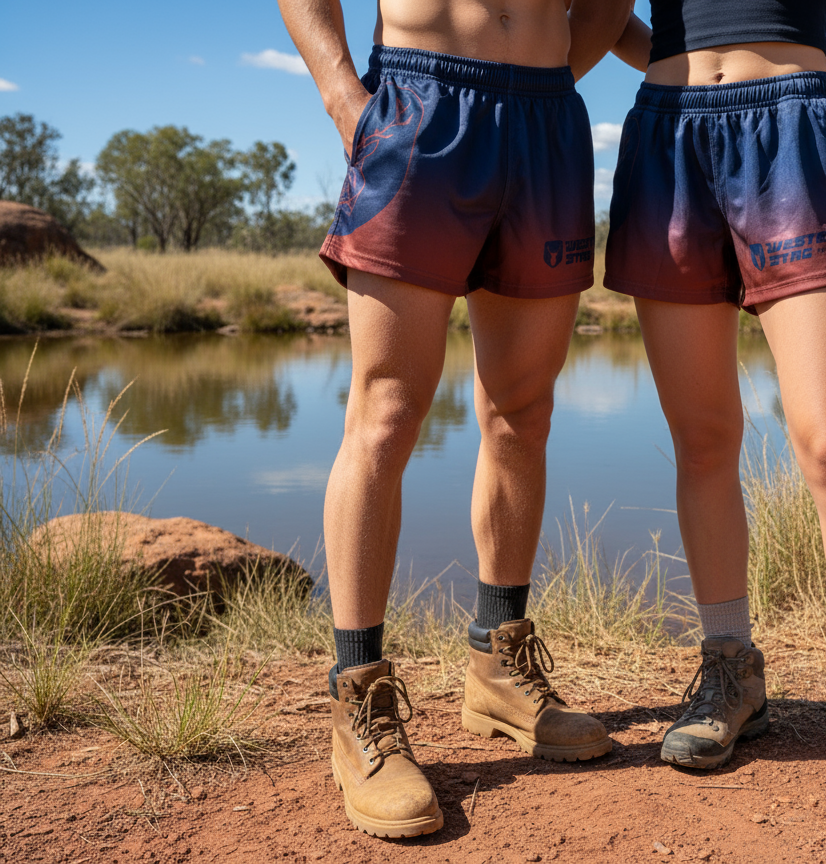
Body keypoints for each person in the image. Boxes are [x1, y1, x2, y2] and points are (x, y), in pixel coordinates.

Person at [278, 0, 632, 838]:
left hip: (545, 117)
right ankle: (359, 697)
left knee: (522, 412)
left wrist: (537, 86)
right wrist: (342, 95)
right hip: (418, 105)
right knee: (388, 412)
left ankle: (498, 665)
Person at [605, 0, 826, 830]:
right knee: (702, 438)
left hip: (792, 127)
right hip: (667, 132)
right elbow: (601, 13)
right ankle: (730, 671)